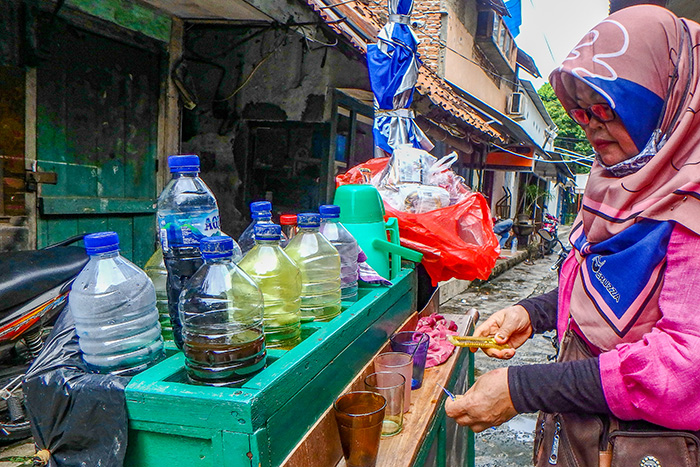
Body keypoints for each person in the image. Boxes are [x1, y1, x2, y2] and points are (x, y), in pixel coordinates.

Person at [445, 5, 700, 465]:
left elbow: (686, 369)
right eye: (580, 112)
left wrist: (524, 388)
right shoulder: (617, 185)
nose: (591, 124)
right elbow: (597, 281)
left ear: (665, 99)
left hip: (641, 448)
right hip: (582, 433)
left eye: (605, 106)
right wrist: (533, 312)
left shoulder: (691, 203)